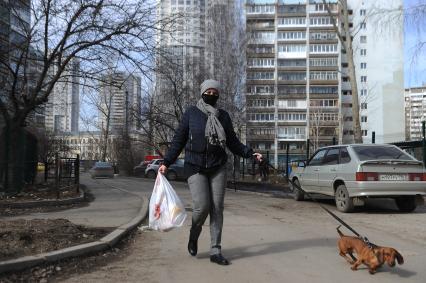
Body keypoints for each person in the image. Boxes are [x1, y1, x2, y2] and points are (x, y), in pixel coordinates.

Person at [159, 79, 262, 266]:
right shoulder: (191, 113)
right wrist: (167, 162)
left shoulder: (223, 116)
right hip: (195, 166)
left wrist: (250, 153)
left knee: (217, 208)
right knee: (202, 206)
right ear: (202, 92)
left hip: (218, 166)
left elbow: (232, 142)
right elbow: (178, 140)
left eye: (215, 92)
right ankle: (194, 233)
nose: (212, 95)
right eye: (209, 92)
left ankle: (216, 250)